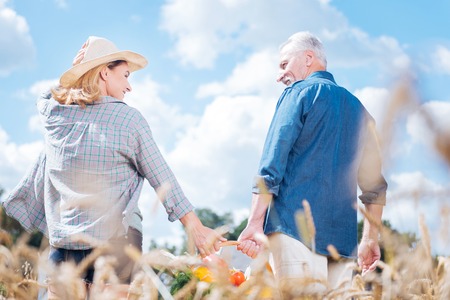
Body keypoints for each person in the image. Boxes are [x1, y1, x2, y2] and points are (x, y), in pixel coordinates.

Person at [1, 36, 225, 298]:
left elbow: (46, 94)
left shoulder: (54, 114)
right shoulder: (129, 119)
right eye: (126, 75)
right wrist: (196, 229)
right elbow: (162, 177)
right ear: (105, 72)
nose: (129, 86)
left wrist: (78, 70)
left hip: (64, 242)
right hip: (118, 241)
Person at [237, 32, 387, 293]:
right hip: (343, 245)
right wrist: (369, 239)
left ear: (308, 58)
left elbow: (271, 166)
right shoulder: (361, 111)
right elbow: (375, 187)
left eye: (284, 64)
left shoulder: (298, 93)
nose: (279, 75)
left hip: (293, 232)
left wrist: (254, 223)